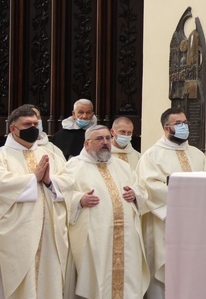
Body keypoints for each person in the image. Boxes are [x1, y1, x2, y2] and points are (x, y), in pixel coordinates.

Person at [136, 107, 206, 299]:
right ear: (166, 127)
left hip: (195, 223)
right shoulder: (152, 156)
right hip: (165, 223)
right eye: (178, 124)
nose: (184, 127)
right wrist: (186, 196)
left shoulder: (197, 154)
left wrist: (196, 195)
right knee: (165, 269)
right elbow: (148, 186)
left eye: (185, 123)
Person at [62, 125, 149, 299]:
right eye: (99, 139)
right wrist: (79, 200)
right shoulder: (74, 166)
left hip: (126, 236)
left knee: (128, 278)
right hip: (95, 237)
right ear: (87, 144)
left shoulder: (122, 166)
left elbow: (140, 189)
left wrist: (135, 195)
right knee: (96, 280)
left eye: (108, 138)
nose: (105, 143)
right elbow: (62, 196)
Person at [0, 106, 72, 298]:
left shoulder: (52, 155)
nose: (33, 128)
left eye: (35, 124)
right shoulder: (2, 156)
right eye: (27, 124)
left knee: (48, 281)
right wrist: (33, 179)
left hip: (49, 233)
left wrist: (49, 181)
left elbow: (68, 183)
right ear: (13, 129)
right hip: (18, 235)